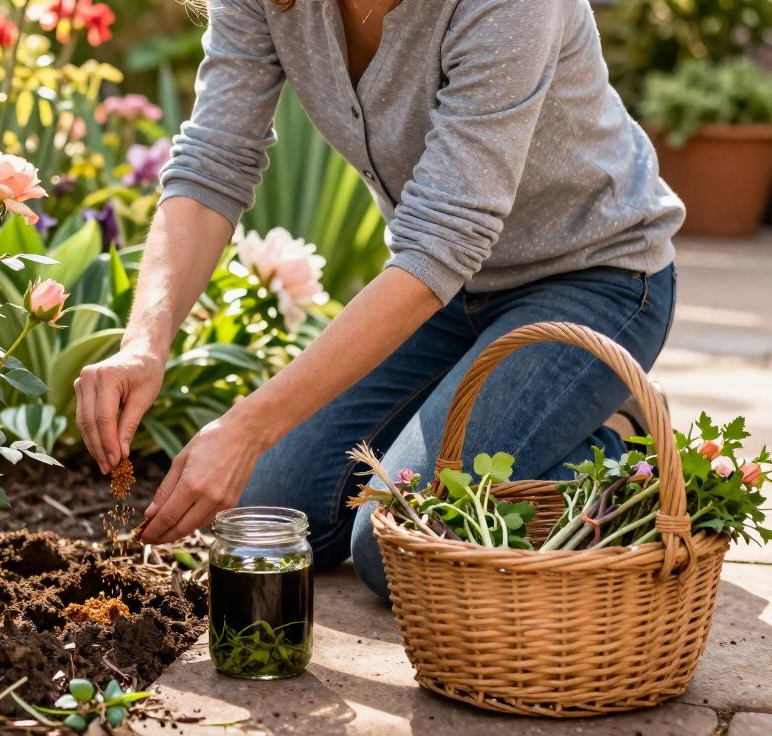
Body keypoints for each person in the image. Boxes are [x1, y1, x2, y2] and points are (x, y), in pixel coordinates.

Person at [72, 0, 682, 598]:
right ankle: (519, 415)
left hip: (595, 277)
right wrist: (142, 345)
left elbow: (441, 240)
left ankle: (616, 440)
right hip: (446, 294)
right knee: (274, 510)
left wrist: (247, 427)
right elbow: (213, 164)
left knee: (395, 547)